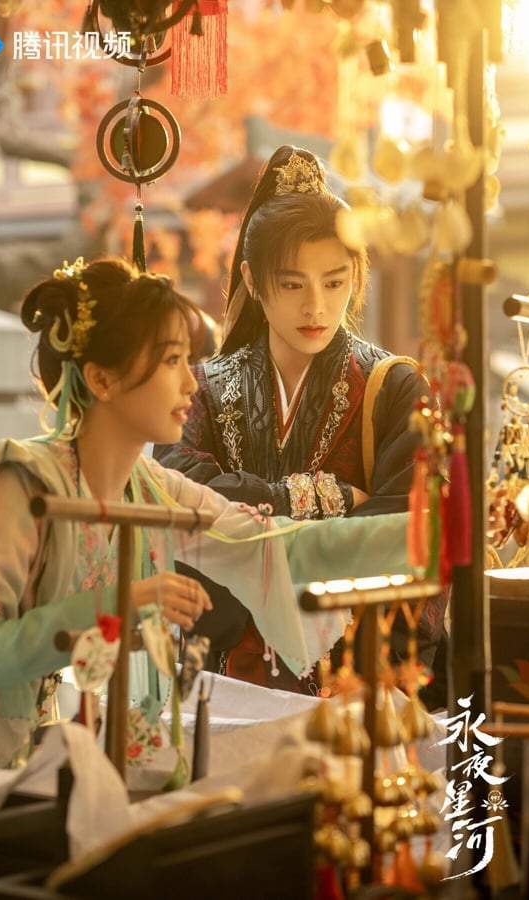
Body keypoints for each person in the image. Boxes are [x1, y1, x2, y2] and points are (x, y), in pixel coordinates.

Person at [0, 256, 411, 770]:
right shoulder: (25, 489)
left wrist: (427, 534)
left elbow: (279, 546)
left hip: (53, 763)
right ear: (102, 379)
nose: (190, 383)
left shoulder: (150, 488)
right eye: (171, 361)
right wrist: (117, 607)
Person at [155, 146, 446, 697]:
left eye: (334, 282)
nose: (315, 306)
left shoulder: (395, 388)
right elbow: (175, 500)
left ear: (355, 277)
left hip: (354, 681)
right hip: (223, 674)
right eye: (292, 284)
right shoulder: (200, 388)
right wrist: (323, 499)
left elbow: (408, 531)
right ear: (252, 279)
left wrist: (247, 534)